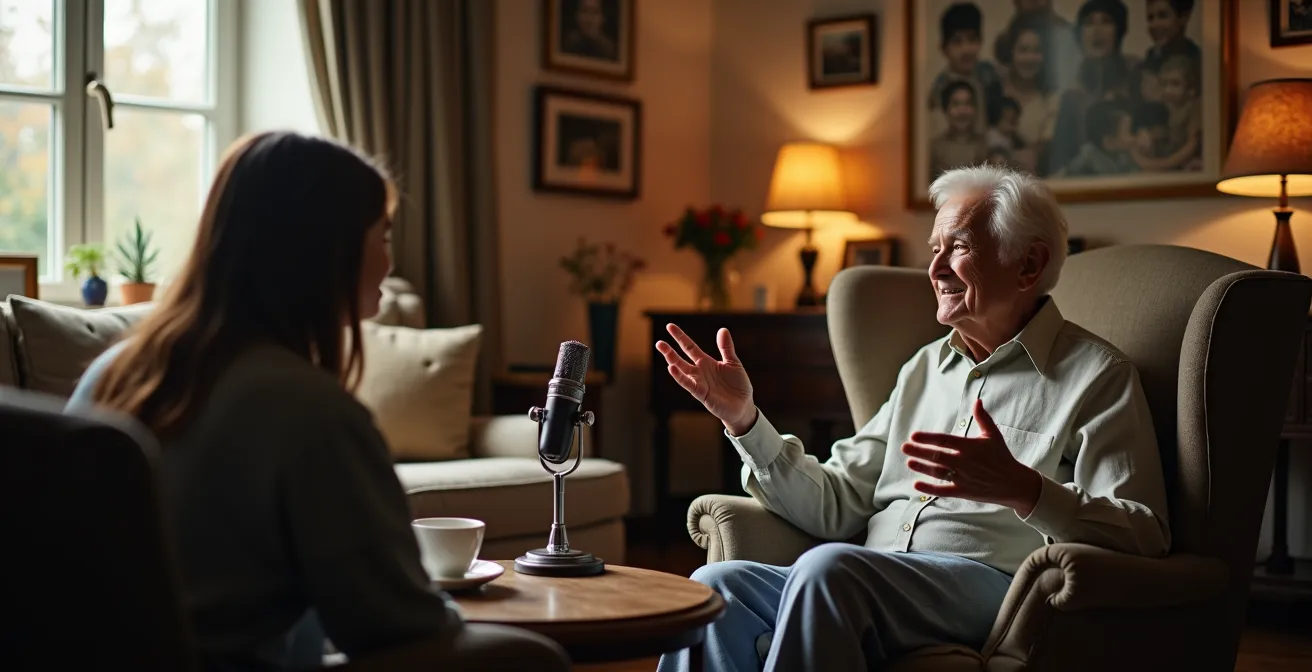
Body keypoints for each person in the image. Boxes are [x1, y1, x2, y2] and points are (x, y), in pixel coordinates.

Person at [65, 131, 570, 672]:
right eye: (383, 236)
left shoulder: (111, 375)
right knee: (532, 658)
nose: (389, 262)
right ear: (327, 249)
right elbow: (397, 626)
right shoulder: (312, 412)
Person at [655, 165, 1170, 672]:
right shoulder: (924, 368)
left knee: (828, 568)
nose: (936, 268)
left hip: (991, 586)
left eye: (959, 247)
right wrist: (745, 420)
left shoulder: (1097, 376)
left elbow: (1144, 532)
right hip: (874, 577)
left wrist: (1026, 490)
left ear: (1028, 265)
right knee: (715, 588)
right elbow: (837, 500)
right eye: (935, 249)